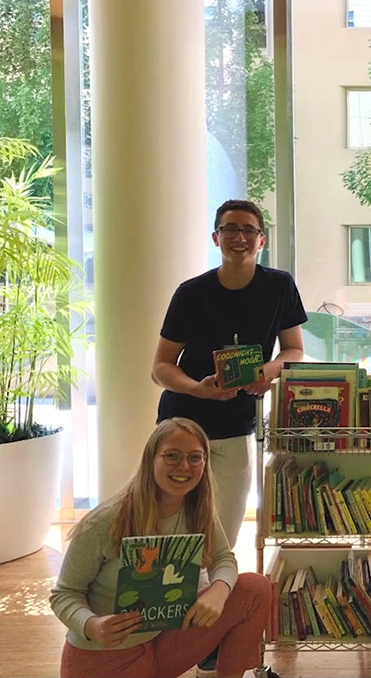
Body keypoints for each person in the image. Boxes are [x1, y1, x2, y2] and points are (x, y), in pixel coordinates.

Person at [49, 417, 271, 678]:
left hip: (163, 644)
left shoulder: (198, 510)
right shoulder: (105, 521)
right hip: (102, 656)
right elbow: (64, 593)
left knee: (254, 589)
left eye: (195, 457)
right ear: (150, 460)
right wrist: (91, 625)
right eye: (172, 456)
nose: (184, 466)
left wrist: (219, 590)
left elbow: (223, 558)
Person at [152, 199, 307, 547]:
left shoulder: (279, 286)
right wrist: (197, 388)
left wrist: (264, 372)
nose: (240, 237)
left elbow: (294, 349)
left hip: (237, 427)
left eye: (249, 230)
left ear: (262, 240)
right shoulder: (191, 293)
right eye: (231, 229)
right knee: (172, 529)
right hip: (182, 425)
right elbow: (160, 368)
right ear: (215, 237)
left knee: (223, 533)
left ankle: (215, 597)